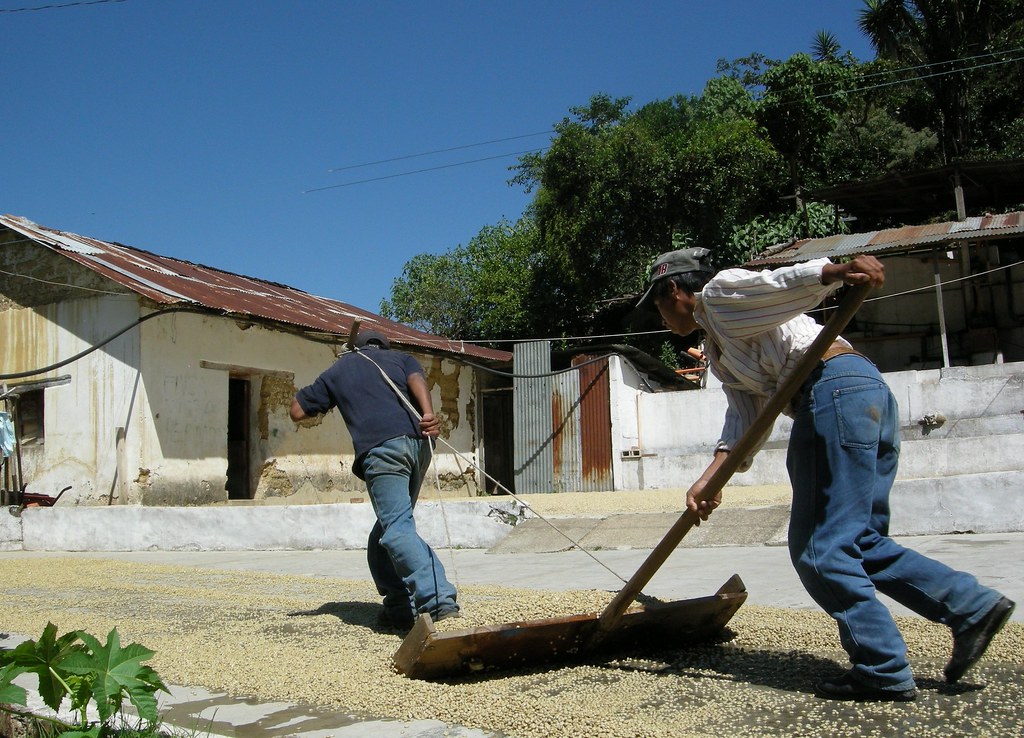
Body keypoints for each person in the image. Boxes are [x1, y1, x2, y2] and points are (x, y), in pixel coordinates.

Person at [637, 247, 1015, 702]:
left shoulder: (718, 296)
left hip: (830, 392)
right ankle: (971, 607)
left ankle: (881, 669)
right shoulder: (721, 352)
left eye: (658, 305)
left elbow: (779, 284)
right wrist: (710, 479)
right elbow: (744, 422)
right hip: (862, 391)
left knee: (820, 548)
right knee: (859, 543)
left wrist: (835, 272)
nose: (661, 318)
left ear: (675, 290)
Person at [290, 329, 459, 630]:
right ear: (382, 346)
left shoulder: (338, 369)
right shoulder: (401, 358)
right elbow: (417, 381)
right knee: (386, 529)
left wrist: (323, 389)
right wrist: (429, 414)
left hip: (384, 451)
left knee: (396, 529)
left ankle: (438, 600)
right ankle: (398, 606)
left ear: (352, 348)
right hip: (420, 446)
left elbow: (297, 411)